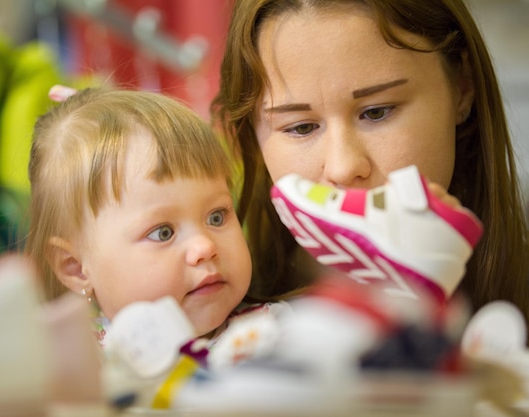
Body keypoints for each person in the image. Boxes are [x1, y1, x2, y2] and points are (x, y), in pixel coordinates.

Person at [211, 0, 529, 326]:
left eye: (377, 112)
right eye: (301, 127)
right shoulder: (219, 330)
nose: (343, 168)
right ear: (253, 133)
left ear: (461, 88)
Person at [25, 86, 257, 342]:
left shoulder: (282, 332)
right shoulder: (90, 374)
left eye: (216, 216)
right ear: (77, 268)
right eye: (163, 233)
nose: (205, 247)